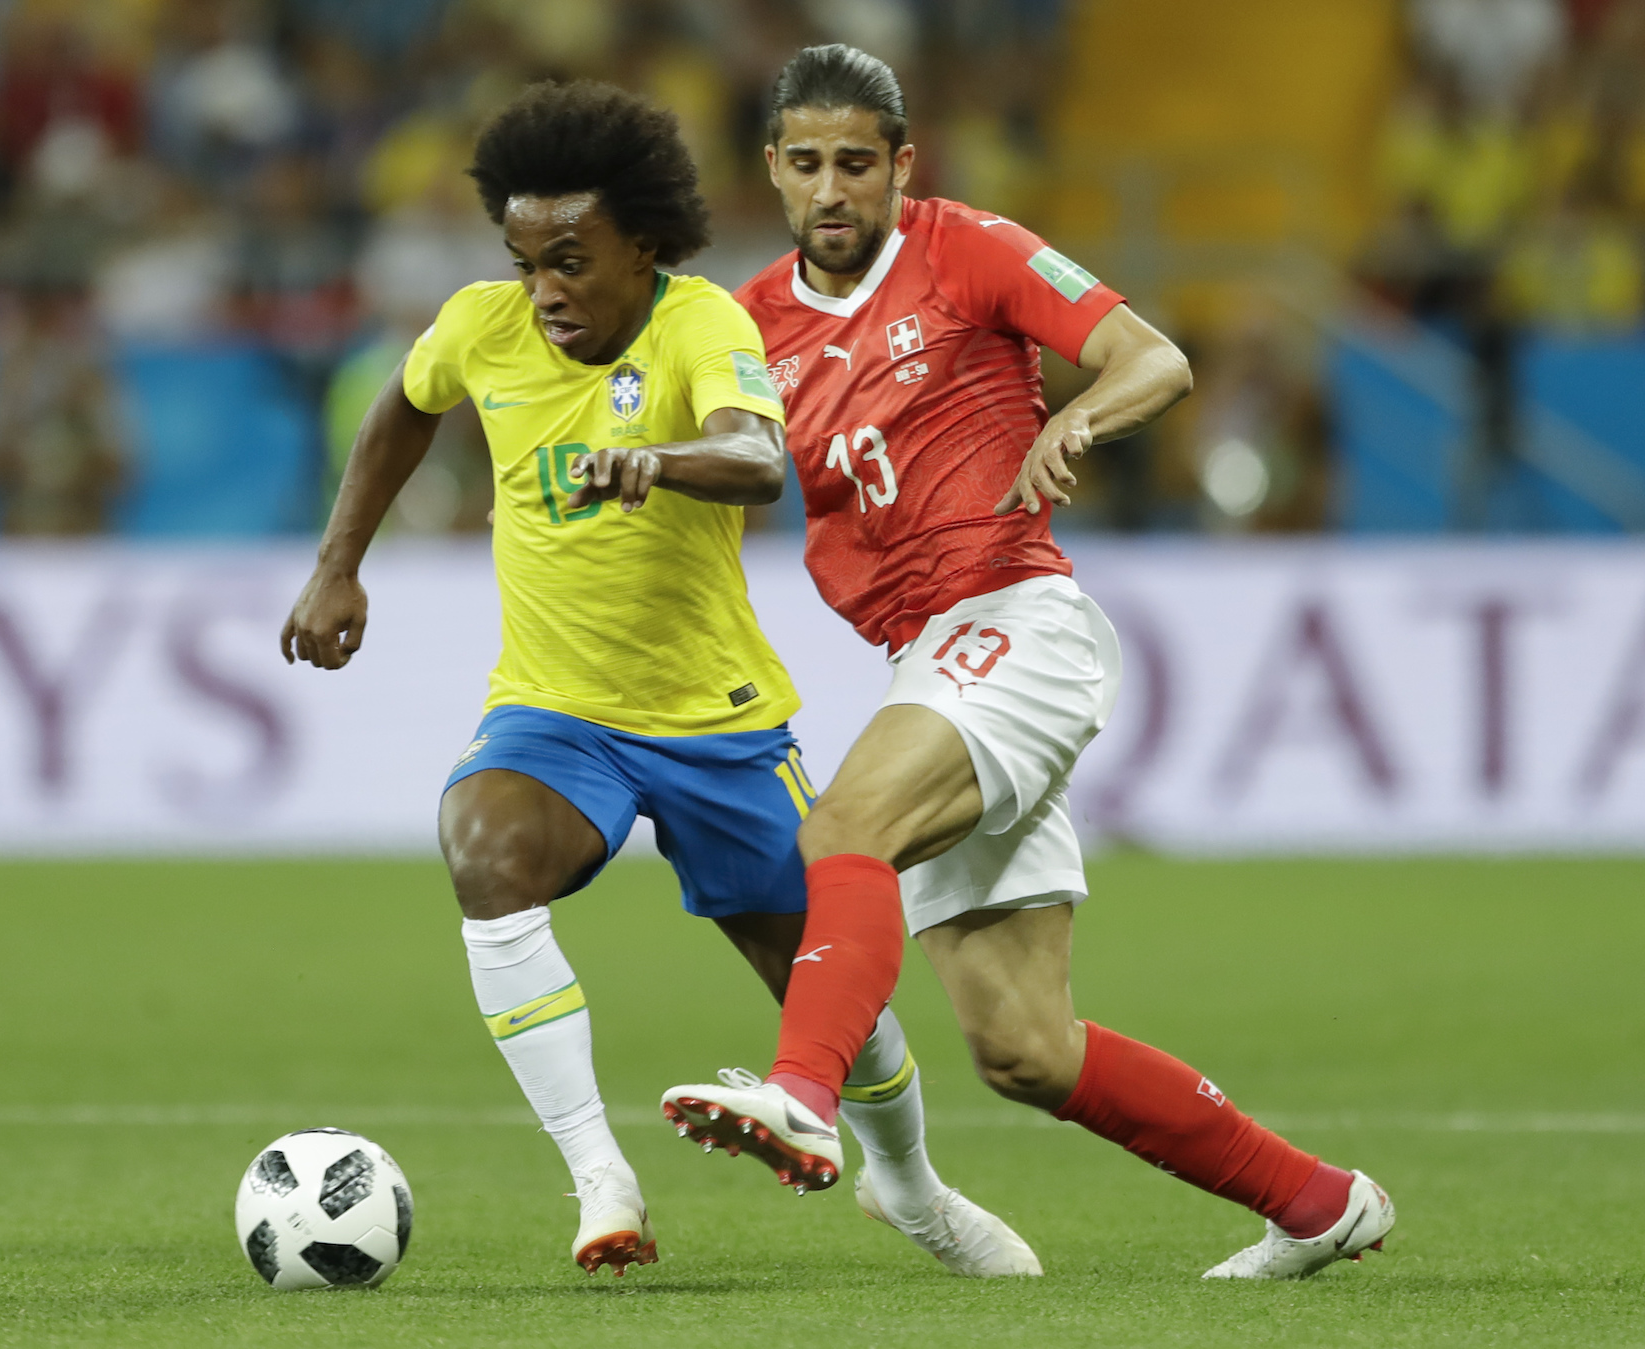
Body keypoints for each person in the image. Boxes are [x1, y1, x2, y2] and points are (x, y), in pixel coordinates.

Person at [662, 45, 1397, 1282]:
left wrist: (1078, 412)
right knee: (1023, 1047)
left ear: (902, 166)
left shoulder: (970, 247)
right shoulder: (749, 324)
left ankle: (801, 1088)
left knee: (845, 825)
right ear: (772, 170)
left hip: (1016, 618)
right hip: (926, 660)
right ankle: (1320, 1201)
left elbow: (1155, 357)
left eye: (857, 163)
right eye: (806, 164)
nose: (832, 189)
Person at [281, 80, 1035, 1280]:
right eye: (527, 262)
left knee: (823, 983)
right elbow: (402, 410)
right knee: (482, 847)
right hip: (558, 713)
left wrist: (657, 459)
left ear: (645, 243)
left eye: (572, 260)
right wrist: (338, 567)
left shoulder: (702, 327)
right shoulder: (482, 326)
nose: (547, 290)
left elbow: (756, 455)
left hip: (718, 725)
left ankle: (912, 1186)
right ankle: (598, 1175)